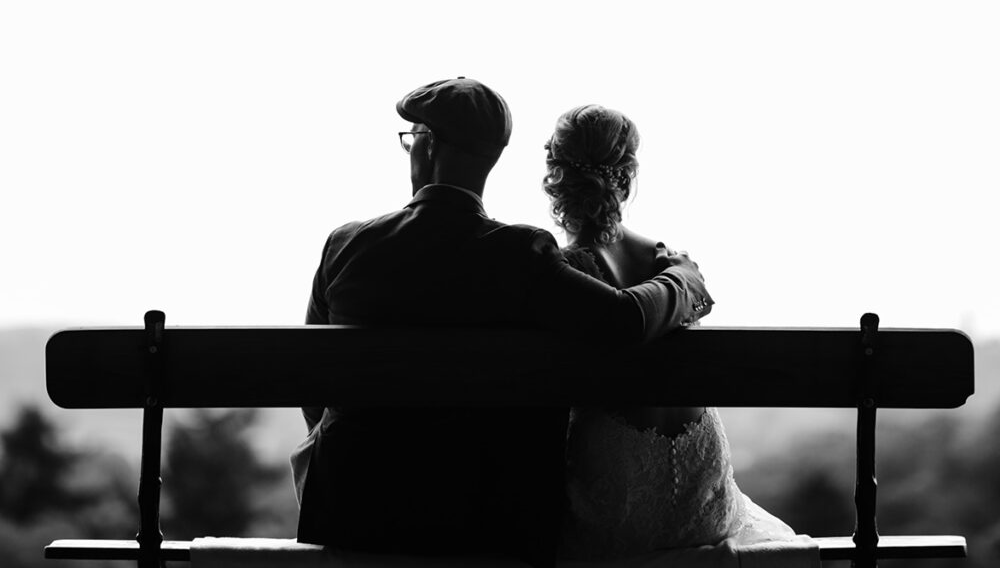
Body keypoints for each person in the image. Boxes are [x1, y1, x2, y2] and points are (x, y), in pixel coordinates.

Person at [291, 78, 712, 568]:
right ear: (490, 159)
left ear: (427, 143)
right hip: (487, 519)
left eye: (411, 139)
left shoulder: (345, 246)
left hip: (351, 509)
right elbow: (624, 319)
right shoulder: (521, 255)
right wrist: (684, 278)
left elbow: (310, 380)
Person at [542, 104, 797, 560]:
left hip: (619, 495)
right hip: (704, 485)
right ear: (628, 174)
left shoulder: (564, 273)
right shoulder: (669, 263)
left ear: (555, 175)